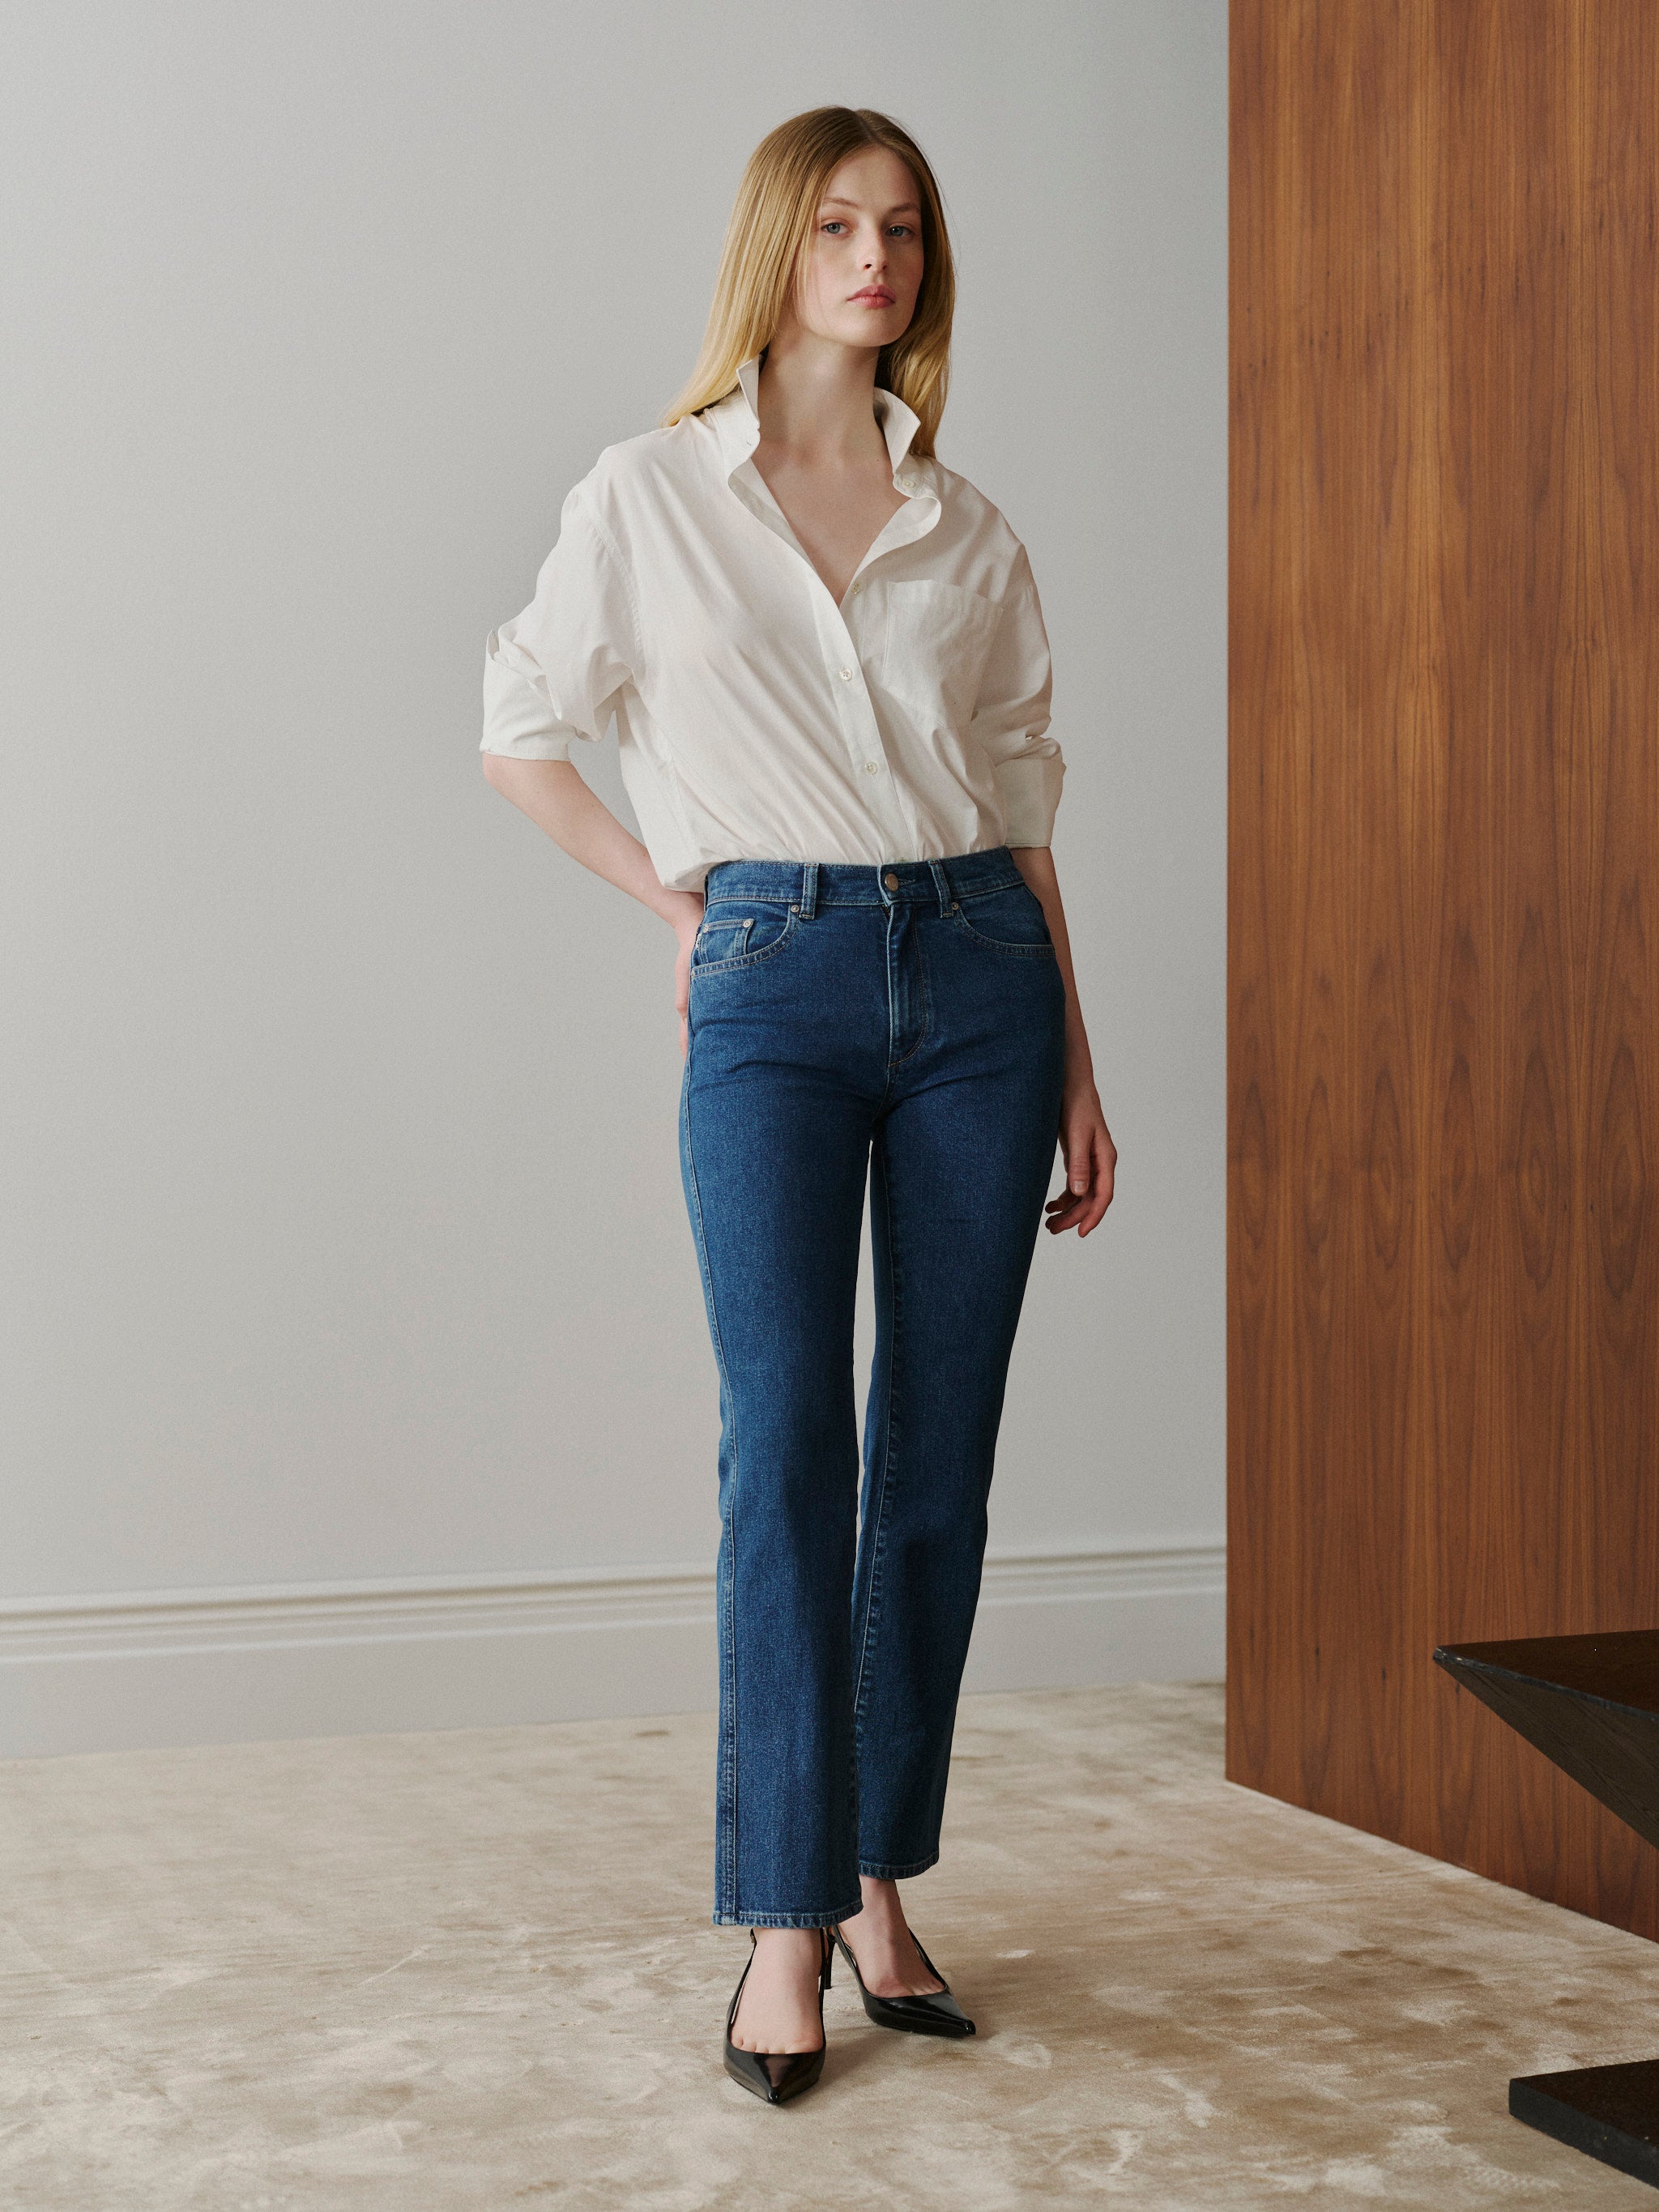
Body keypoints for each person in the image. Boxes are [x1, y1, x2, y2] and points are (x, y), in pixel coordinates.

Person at [479, 104, 1115, 2105]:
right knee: (785, 1442)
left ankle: (873, 1879)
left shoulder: (969, 528)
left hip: (982, 993)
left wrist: (1083, 1060)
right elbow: (518, 724)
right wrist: (680, 898)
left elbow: (1019, 816)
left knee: (936, 1461)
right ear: (776, 248)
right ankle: (777, 1923)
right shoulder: (651, 496)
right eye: (839, 224)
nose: (876, 258)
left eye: (905, 229)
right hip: (771, 974)